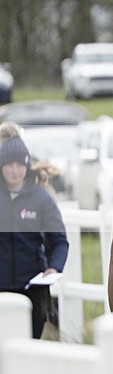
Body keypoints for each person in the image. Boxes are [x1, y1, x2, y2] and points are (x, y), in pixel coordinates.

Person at [0, 123, 69, 339]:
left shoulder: (41, 197)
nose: (14, 171)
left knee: (29, 345)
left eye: (19, 165)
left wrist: (54, 267)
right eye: (9, 165)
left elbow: (59, 240)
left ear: (27, 165)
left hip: (33, 289)